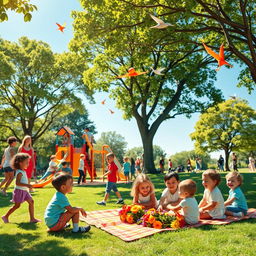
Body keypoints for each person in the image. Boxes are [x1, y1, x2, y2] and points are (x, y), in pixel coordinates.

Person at [2, 153, 41, 223]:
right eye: (26, 162)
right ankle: (5, 216)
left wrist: (27, 186)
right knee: (17, 206)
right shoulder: (19, 172)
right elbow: (17, 183)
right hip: (19, 191)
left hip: (25, 191)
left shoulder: (23, 171)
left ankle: (32, 219)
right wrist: (27, 185)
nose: (28, 164)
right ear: (20, 163)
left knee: (31, 202)